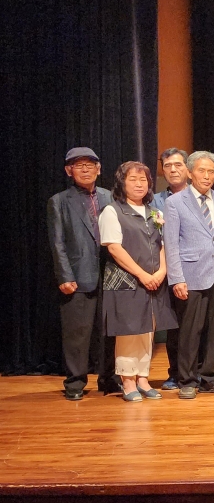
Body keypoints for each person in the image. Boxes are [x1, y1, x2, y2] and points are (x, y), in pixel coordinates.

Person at [163, 150, 214, 399]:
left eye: (211, 171)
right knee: (190, 329)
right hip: (191, 273)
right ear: (189, 173)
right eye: (201, 170)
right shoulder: (175, 202)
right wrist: (177, 278)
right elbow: (171, 243)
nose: (207, 176)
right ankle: (187, 379)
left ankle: (210, 377)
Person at [99, 161, 178, 401]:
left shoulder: (155, 212)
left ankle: (143, 377)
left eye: (143, 179)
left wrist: (162, 271)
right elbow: (114, 248)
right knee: (129, 332)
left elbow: (163, 245)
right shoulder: (112, 211)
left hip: (154, 281)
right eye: (133, 179)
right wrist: (142, 275)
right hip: (127, 282)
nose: (139, 184)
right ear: (121, 183)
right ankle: (128, 381)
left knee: (148, 330)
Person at [47, 147, 116, 400]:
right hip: (77, 276)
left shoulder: (111, 196)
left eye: (90, 164)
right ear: (69, 171)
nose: (85, 169)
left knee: (109, 331)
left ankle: (109, 379)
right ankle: (75, 382)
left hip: (111, 275)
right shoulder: (59, 201)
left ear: (99, 169)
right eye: (79, 165)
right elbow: (57, 243)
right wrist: (64, 276)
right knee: (77, 333)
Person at [152, 147, 190, 390]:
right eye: (167, 166)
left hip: (199, 269)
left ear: (188, 168)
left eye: (178, 165)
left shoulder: (200, 196)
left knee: (199, 325)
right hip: (168, 270)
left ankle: (200, 371)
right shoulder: (155, 201)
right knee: (175, 325)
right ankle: (175, 373)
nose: (173, 170)